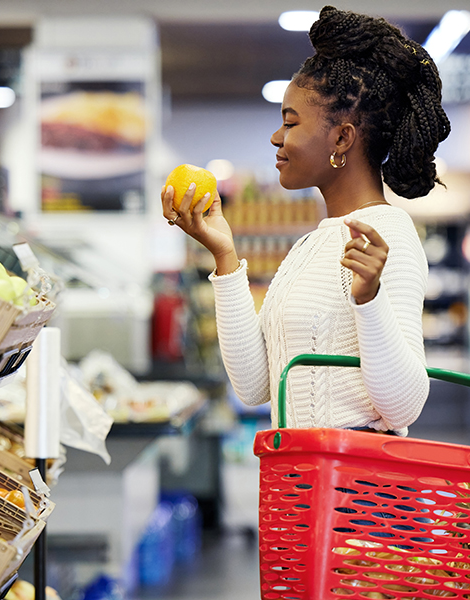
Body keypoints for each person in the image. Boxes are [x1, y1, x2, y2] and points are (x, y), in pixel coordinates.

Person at [161, 5, 451, 436]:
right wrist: (224, 252)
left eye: (290, 122)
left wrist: (369, 299)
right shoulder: (311, 245)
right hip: (298, 490)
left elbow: (404, 407)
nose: (277, 137)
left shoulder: (388, 235)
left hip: (355, 496)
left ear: (342, 138)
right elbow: (255, 387)